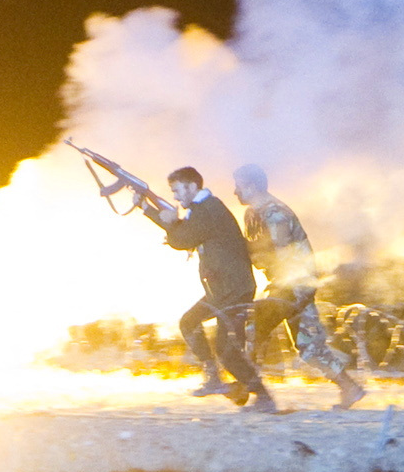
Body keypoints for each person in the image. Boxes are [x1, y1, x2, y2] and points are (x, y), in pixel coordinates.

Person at [231, 165, 367, 410]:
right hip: (290, 282)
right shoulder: (254, 213)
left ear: (251, 186)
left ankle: (255, 393)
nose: (235, 191)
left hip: (294, 282)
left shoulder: (274, 213)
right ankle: (350, 388)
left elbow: (279, 251)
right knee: (308, 346)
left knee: (253, 330)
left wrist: (240, 249)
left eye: (238, 185)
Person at [147, 166, 276, 413]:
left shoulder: (208, 210)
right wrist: (148, 210)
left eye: (177, 190)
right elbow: (185, 232)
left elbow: (183, 239)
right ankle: (237, 388)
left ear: (192, 186)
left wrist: (157, 216)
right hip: (225, 288)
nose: (175, 197)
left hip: (232, 289)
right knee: (213, 339)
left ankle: (255, 395)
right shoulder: (204, 209)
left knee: (220, 346)